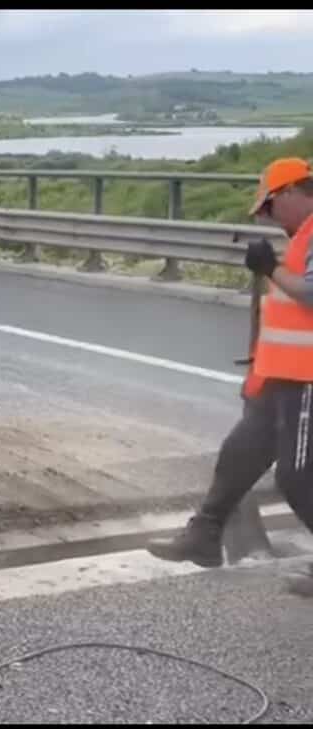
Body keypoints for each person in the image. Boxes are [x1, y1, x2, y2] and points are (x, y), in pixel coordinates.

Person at [146, 157, 313, 596]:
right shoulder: (302, 237)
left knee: (297, 477)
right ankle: (204, 534)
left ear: (293, 193)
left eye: (269, 207)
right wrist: (260, 377)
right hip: (283, 378)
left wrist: (270, 268)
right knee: (240, 453)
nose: (268, 218)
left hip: (308, 381)